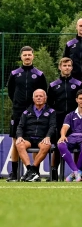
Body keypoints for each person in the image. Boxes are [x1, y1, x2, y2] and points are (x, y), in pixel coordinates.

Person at [6, 46, 48, 182]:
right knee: (16, 141)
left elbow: (43, 92)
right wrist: (18, 104)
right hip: (18, 112)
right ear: (21, 57)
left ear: (33, 56)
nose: (27, 57)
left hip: (34, 112)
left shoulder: (39, 74)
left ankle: (35, 173)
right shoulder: (14, 73)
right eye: (25, 55)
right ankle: (14, 173)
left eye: (29, 55)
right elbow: (11, 92)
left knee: (36, 139)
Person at [47, 57, 82, 181]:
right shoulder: (53, 85)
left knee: (77, 146)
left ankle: (77, 172)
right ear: (60, 67)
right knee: (58, 146)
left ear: (72, 68)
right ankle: (54, 173)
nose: (67, 68)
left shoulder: (78, 84)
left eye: (69, 65)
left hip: (75, 120)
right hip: (59, 120)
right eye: (64, 65)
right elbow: (49, 104)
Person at [15, 89, 56, 182]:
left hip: (42, 138)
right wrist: (19, 136)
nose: (38, 98)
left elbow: (53, 126)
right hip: (28, 138)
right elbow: (20, 126)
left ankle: (32, 171)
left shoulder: (51, 111)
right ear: (33, 99)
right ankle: (31, 170)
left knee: (46, 145)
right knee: (19, 144)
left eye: (41, 96)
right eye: (36, 96)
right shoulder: (26, 112)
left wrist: (48, 136)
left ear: (45, 98)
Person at [57, 89, 82, 182]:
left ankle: (74, 173)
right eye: (80, 98)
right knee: (60, 144)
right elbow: (64, 128)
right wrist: (62, 135)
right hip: (72, 137)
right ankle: (76, 171)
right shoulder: (70, 115)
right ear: (76, 100)